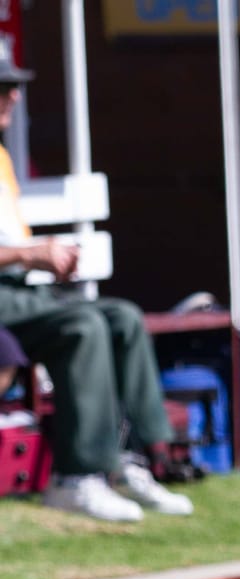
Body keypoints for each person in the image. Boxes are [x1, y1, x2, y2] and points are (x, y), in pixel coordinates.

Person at [0, 48, 193, 524]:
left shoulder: (1, 158)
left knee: (122, 317)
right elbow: (17, 251)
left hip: (21, 291)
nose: (14, 96)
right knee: (83, 325)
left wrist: (47, 258)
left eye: (15, 87)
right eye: (4, 88)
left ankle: (137, 458)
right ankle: (77, 477)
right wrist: (30, 254)